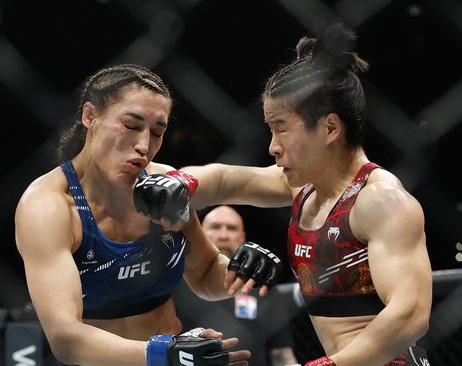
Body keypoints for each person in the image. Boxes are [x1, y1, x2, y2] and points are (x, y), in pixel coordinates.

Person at [134, 24, 433, 366]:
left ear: (329, 128)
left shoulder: (379, 201)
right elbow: (223, 180)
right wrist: (181, 182)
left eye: (281, 128)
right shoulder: (303, 188)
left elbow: (410, 315)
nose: (273, 147)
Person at [14, 64, 281, 366]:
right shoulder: (49, 207)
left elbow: (205, 273)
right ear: (90, 116)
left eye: (157, 132)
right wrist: (165, 353)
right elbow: (66, 339)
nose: (144, 146)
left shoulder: (163, 188)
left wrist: (240, 271)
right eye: (131, 126)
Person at [173, 205, 302, 365]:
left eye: (232, 229)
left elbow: (281, 354)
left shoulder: (262, 288)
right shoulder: (175, 282)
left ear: (242, 238)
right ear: (200, 236)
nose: (224, 235)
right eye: (215, 227)